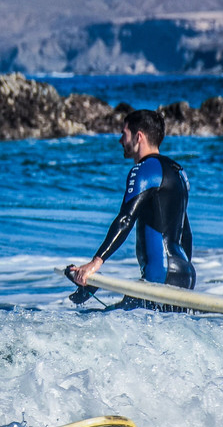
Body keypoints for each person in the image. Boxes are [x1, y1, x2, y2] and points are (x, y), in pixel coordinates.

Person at [66, 108, 194, 309]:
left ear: (138, 137)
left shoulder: (146, 169)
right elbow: (185, 233)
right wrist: (183, 273)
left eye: (124, 134)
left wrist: (95, 263)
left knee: (107, 326)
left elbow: (126, 219)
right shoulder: (179, 172)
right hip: (184, 271)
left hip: (160, 273)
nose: (120, 141)